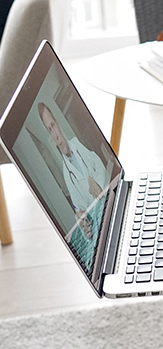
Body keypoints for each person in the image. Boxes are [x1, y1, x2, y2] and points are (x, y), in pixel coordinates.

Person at [38, 101, 108, 264]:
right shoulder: (66, 173)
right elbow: (78, 207)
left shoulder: (77, 143)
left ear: (59, 124)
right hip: (102, 221)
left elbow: (98, 163)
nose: (54, 134)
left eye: (53, 125)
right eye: (49, 130)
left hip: (110, 200)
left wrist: (96, 182)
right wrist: (81, 218)